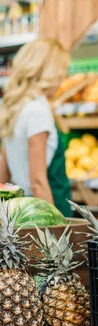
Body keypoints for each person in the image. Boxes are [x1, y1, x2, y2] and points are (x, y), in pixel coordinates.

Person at [0, 38, 71, 216]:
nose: (64, 77)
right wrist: (54, 229)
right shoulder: (38, 111)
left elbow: (3, 171)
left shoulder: (16, 108)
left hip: (22, 211)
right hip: (44, 210)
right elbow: (37, 182)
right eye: (63, 69)